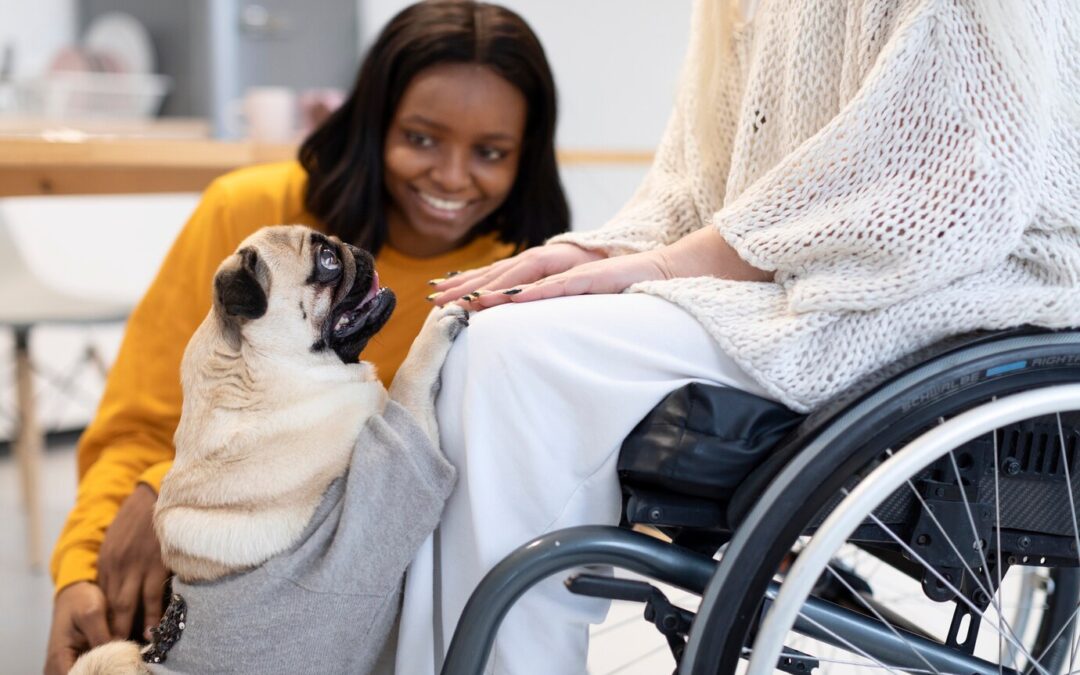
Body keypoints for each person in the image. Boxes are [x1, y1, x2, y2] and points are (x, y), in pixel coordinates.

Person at [400, 0, 1080, 672]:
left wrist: (671, 264)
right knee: (475, 327)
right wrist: (606, 253)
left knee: (520, 358)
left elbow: (956, 187)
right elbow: (700, 185)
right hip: (804, 272)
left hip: (958, 288)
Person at [44, 2, 569, 672]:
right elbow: (139, 424)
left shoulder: (518, 283)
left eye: (490, 152)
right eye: (422, 137)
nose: (452, 176)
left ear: (525, 158)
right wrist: (81, 570)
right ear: (372, 121)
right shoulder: (247, 219)